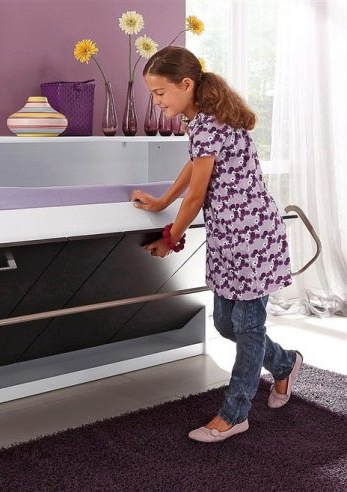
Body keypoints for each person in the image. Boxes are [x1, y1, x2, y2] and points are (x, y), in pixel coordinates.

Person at [130, 46, 302, 443]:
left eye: (160, 93)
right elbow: (195, 165)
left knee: (248, 327)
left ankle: (235, 413)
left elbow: (196, 195)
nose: (157, 102)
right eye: (153, 94)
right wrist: (162, 201)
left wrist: (169, 238)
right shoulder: (200, 123)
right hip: (228, 237)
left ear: (186, 84)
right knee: (227, 324)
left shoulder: (208, 123)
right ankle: (285, 364)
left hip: (252, 237)